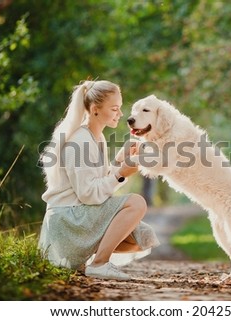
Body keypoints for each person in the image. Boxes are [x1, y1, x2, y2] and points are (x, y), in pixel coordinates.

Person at [38, 80, 159, 280]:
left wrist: (119, 161)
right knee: (136, 203)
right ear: (95, 109)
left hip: (76, 217)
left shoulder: (96, 137)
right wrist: (120, 173)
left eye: (120, 108)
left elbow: (97, 183)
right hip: (66, 223)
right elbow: (88, 195)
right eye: (114, 109)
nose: (120, 114)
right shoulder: (80, 140)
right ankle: (99, 264)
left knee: (140, 236)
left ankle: (82, 261)